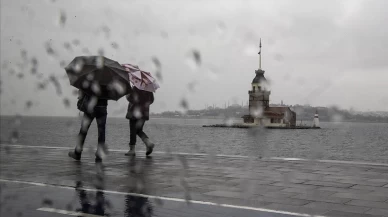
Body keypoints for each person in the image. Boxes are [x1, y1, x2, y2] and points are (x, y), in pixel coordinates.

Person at [68, 90, 108, 162]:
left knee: (83, 130)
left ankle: (77, 152)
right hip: (102, 107)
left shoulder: (92, 79)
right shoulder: (108, 80)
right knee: (101, 132)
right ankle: (99, 154)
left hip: (91, 107)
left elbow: (84, 88)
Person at [125, 86, 155, 156]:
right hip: (144, 113)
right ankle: (148, 143)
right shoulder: (148, 89)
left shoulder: (135, 88)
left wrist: (127, 95)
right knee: (138, 130)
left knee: (133, 130)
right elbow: (151, 100)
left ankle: (132, 150)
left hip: (134, 112)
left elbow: (131, 99)